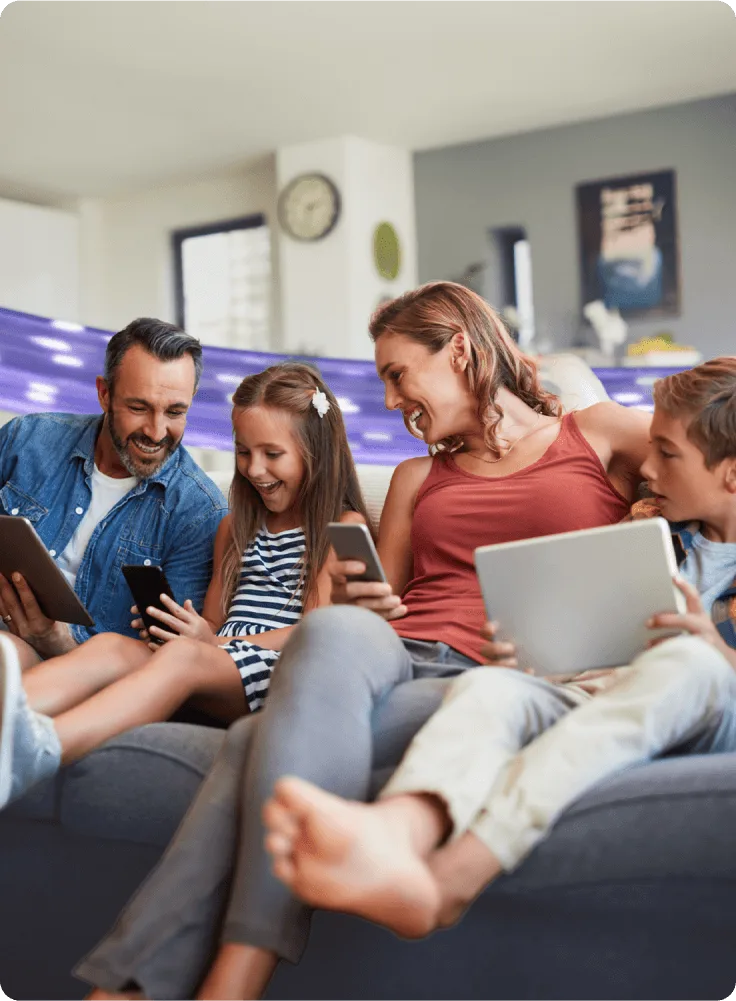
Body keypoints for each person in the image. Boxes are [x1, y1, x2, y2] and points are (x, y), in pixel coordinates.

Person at [73, 281, 651, 1001]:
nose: (388, 399)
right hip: (397, 652)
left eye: (397, 373)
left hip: (499, 667)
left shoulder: (598, 432)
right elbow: (388, 601)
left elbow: (710, 455)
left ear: (462, 352)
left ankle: (168, 981)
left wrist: (654, 518)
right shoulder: (416, 476)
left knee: (260, 737)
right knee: (335, 625)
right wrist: (374, 602)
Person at [263, 357, 736, 939]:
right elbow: (597, 644)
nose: (649, 466)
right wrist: (536, 656)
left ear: (730, 475)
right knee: (491, 686)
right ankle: (396, 831)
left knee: (689, 661)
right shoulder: (652, 535)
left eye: (667, 453)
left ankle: (447, 883)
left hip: (711, 706)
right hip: (601, 691)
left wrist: (716, 649)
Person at [0, 363, 370, 809]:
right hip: (210, 658)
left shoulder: (339, 527)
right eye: (243, 452)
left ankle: (42, 749)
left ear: (317, 453)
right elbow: (212, 620)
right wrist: (186, 626)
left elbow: (312, 633)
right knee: (113, 647)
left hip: (277, 667)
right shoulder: (234, 527)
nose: (255, 469)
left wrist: (210, 644)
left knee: (184, 657)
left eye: (272, 454)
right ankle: (9, 720)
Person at [0, 317, 227, 665]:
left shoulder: (199, 513)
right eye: (139, 408)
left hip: (72, 672)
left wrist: (56, 642)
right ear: (104, 394)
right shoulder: (26, 440)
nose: (156, 431)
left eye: (176, 412)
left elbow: (167, 666)